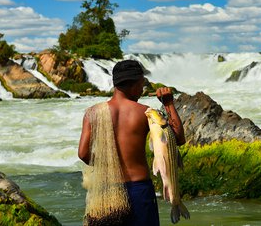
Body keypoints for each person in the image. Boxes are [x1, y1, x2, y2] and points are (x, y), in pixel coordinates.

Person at [78, 59, 186, 226]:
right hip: (139, 190)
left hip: (107, 192)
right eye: (142, 84)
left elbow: (83, 154)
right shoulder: (145, 113)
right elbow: (178, 138)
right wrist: (169, 103)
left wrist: (111, 164)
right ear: (135, 84)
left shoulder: (92, 113)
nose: (142, 90)